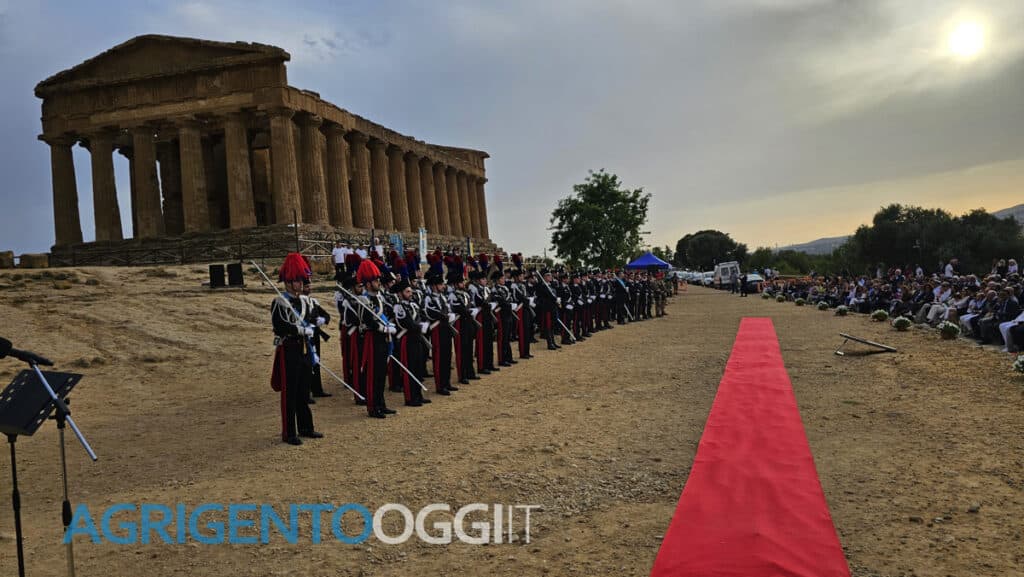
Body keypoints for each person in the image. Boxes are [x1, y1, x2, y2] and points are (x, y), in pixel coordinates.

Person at [269, 253, 323, 446]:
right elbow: (279, 326)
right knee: (290, 391)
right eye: (297, 280)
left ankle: (306, 427)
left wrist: (316, 322)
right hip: (289, 348)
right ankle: (289, 431)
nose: (301, 283)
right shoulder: (279, 302)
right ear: (288, 282)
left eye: (301, 280)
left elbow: (312, 318)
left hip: (305, 348)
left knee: (304, 390)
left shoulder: (305, 301)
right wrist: (298, 329)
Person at [357, 259, 397, 419]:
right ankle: (373, 407)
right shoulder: (364, 300)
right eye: (375, 280)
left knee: (381, 372)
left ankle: (381, 404)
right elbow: (367, 321)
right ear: (368, 284)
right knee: (373, 374)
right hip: (372, 339)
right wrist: (382, 328)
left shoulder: (378, 298)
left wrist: (389, 325)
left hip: (383, 338)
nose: (378, 282)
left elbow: (385, 314)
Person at [390, 277, 430, 407]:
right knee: (410, 368)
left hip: (417, 338)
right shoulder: (398, 307)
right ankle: (410, 397)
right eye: (407, 291)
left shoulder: (413, 305)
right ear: (400, 293)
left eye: (410, 291)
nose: (410, 293)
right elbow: (407, 323)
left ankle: (418, 395)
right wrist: (419, 326)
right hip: (407, 339)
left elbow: (421, 316)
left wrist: (424, 323)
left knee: (418, 367)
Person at [423, 272, 458, 395]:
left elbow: (448, 309)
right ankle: (440, 385)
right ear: (434, 286)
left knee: (447, 355)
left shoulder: (442, 297)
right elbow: (430, 312)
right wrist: (444, 315)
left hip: (446, 328)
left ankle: (446, 382)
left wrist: (448, 315)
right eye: (440, 284)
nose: (443, 286)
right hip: (437, 329)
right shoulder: (429, 298)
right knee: (439, 357)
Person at [301, 278, 332, 401]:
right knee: (306, 363)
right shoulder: (298, 303)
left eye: (309, 286)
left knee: (316, 361)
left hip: (314, 334)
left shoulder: (313, 301)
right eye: (306, 286)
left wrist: (323, 319)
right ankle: (305, 392)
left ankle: (317, 389)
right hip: (304, 335)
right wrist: (312, 321)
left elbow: (326, 314)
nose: (309, 289)